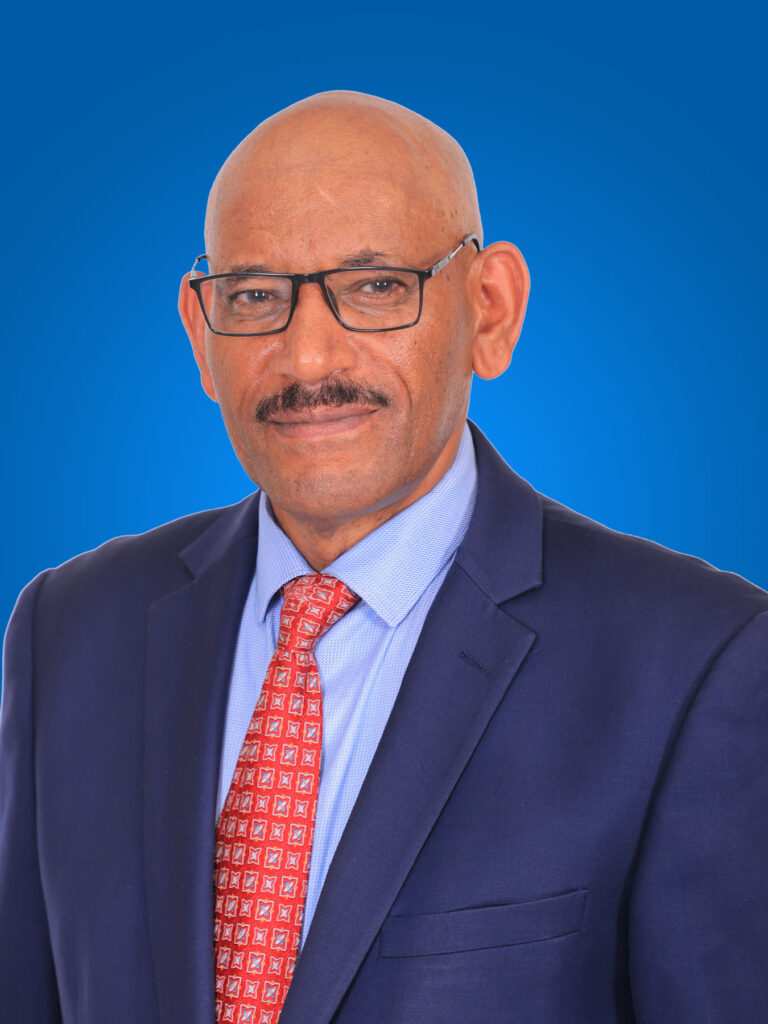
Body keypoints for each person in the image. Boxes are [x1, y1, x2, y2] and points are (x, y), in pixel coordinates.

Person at [1, 90, 766, 1024]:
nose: (307, 359)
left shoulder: (698, 663)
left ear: (490, 311)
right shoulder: (69, 629)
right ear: (202, 336)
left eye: (375, 287)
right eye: (255, 296)